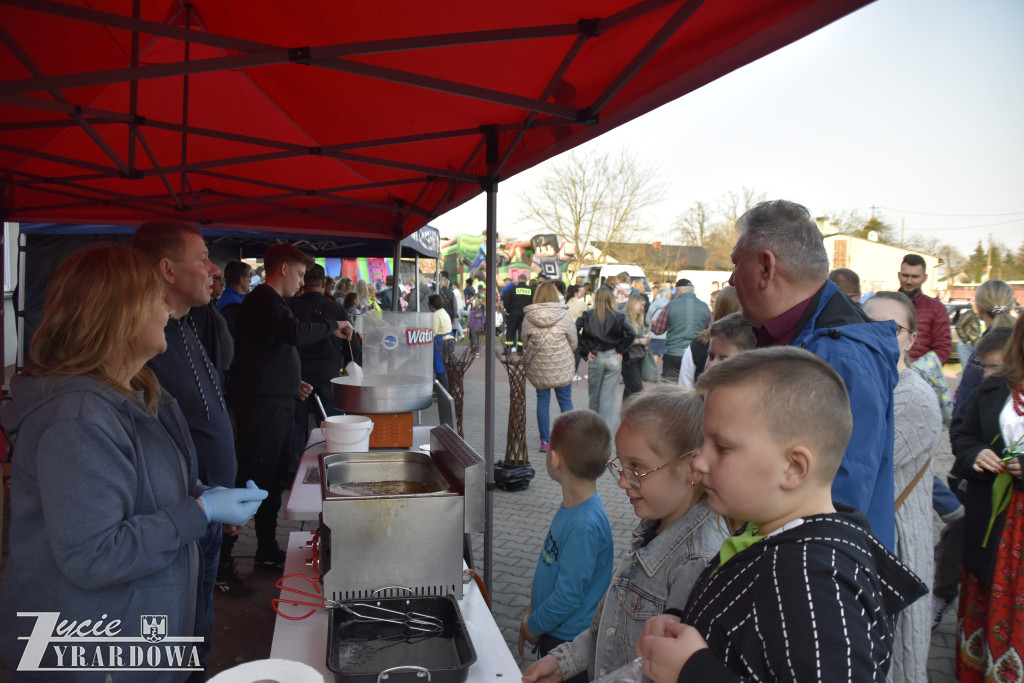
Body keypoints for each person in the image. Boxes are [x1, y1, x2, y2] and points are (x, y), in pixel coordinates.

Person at [0, 244, 268, 682]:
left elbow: (142, 489)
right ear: (118, 313)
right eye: (155, 299)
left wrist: (201, 495)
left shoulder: (136, 393)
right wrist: (198, 513)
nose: (167, 309)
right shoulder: (78, 419)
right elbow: (93, 555)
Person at [636, 347, 927, 682]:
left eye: (723, 447)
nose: (700, 462)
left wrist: (693, 670)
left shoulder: (812, 578)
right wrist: (682, 623)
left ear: (794, 467)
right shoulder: (768, 533)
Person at [522, 387, 729, 683]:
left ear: (693, 468)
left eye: (637, 468)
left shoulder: (695, 563)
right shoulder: (655, 529)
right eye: (621, 465)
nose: (621, 481)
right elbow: (612, 628)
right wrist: (562, 662)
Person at [728, 199, 900, 550]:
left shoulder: (837, 355)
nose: (730, 279)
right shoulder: (809, 340)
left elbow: (836, 499)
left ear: (766, 267)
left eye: (735, 264)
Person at [132, 222, 252, 664]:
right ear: (166, 269)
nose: (212, 270)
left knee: (199, 625)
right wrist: (200, 505)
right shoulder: (143, 348)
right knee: (176, 636)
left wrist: (219, 492)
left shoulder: (190, 322)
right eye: (201, 258)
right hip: (174, 521)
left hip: (203, 504)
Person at [229, 243, 353, 571]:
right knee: (254, 479)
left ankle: (266, 549)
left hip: (278, 401)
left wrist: (290, 383)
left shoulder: (276, 302)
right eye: (299, 274)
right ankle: (223, 559)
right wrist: (333, 325)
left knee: (271, 481)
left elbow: (269, 351)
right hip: (261, 409)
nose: (302, 282)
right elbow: (293, 333)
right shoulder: (263, 299)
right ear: (283, 269)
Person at [864, 291, 940, 683]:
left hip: (894, 545)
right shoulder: (862, 385)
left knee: (895, 660)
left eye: (891, 329)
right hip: (868, 541)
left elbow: (856, 463)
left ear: (911, 339)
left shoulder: (913, 397)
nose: (878, 335)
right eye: (868, 325)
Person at [949, 314, 1024, 681]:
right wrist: (974, 454)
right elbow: (962, 435)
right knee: (987, 595)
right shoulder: (992, 388)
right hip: (991, 525)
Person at [518, 410, 615, 678]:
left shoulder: (583, 525)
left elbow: (568, 596)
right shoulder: (575, 508)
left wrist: (533, 626)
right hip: (554, 631)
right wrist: (533, 607)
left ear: (554, 457)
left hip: (567, 644)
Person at [932, 325, 1015, 630]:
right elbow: (962, 433)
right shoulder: (987, 392)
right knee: (979, 574)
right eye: (986, 366)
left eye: (996, 366)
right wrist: (974, 454)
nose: (987, 373)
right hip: (986, 508)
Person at [289, 263, 354, 481]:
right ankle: (335, 473)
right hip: (329, 376)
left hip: (298, 376)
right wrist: (352, 367)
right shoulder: (335, 308)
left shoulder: (292, 307)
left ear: (302, 282)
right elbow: (350, 344)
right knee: (332, 428)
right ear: (324, 283)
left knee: (296, 428)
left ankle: (294, 475)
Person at [523, 281, 578, 453]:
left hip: (539, 367)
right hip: (562, 366)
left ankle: (545, 441)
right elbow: (574, 342)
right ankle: (568, 439)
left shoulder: (529, 317)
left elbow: (525, 343)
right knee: (565, 401)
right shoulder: (564, 315)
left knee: (542, 401)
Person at [953, 279, 1018, 421]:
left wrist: (958, 429)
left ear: (980, 308)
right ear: (1011, 304)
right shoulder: (1018, 341)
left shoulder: (985, 349)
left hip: (986, 432)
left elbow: (965, 399)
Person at [575, 287, 635, 428]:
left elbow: (574, 330)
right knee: (609, 397)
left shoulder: (588, 315)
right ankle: (605, 428)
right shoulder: (618, 316)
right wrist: (620, 350)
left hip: (595, 354)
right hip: (613, 355)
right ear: (611, 299)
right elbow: (631, 333)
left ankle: (593, 426)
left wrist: (586, 349)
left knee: (594, 395)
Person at [677, 286, 741, 390]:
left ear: (718, 308)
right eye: (711, 356)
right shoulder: (759, 342)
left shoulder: (699, 344)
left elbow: (685, 389)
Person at [649, 279, 710, 383]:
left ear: (678, 290)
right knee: (692, 392)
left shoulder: (671, 305)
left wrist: (654, 324)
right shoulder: (704, 307)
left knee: (670, 391)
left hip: (674, 353)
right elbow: (709, 331)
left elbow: (658, 330)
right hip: (697, 354)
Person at [621, 292, 650, 401]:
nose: (642, 308)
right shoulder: (625, 318)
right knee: (637, 389)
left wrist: (644, 339)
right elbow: (623, 341)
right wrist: (640, 341)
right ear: (634, 303)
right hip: (629, 359)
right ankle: (631, 414)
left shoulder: (634, 319)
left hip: (636, 358)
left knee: (630, 390)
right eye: (641, 305)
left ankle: (625, 413)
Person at [217, 260, 252, 338]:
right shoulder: (232, 305)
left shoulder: (229, 298)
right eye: (248, 277)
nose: (250, 281)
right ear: (241, 280)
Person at [429, 293, 454, 394]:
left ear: (431, 305)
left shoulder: (436, 315)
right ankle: (446, 390)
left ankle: (444, 392)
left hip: (441, 342)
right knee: (445, 368)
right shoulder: (444, 312)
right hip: (450, 340)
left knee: (440, 369)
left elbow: (433, 331)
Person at [502, 273, 533, 353]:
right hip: (525, 313)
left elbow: (506, 301)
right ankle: (520, 349)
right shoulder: (531, 290)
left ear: (519, 280)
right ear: (526, 280)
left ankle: (508, 349)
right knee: (521, 331)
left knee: (510, 330)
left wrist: (508, 310)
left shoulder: (512, 289)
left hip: (513, 312)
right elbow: (533, 302)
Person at [645, 286, 672, 368]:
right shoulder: (670, 305)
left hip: (653, 333)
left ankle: (652, 371)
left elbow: (647, 319)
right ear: (667, 295)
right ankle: (653, 372)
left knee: (654, 354)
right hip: (665, 334)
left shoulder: (654, 304)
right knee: (662, 356)